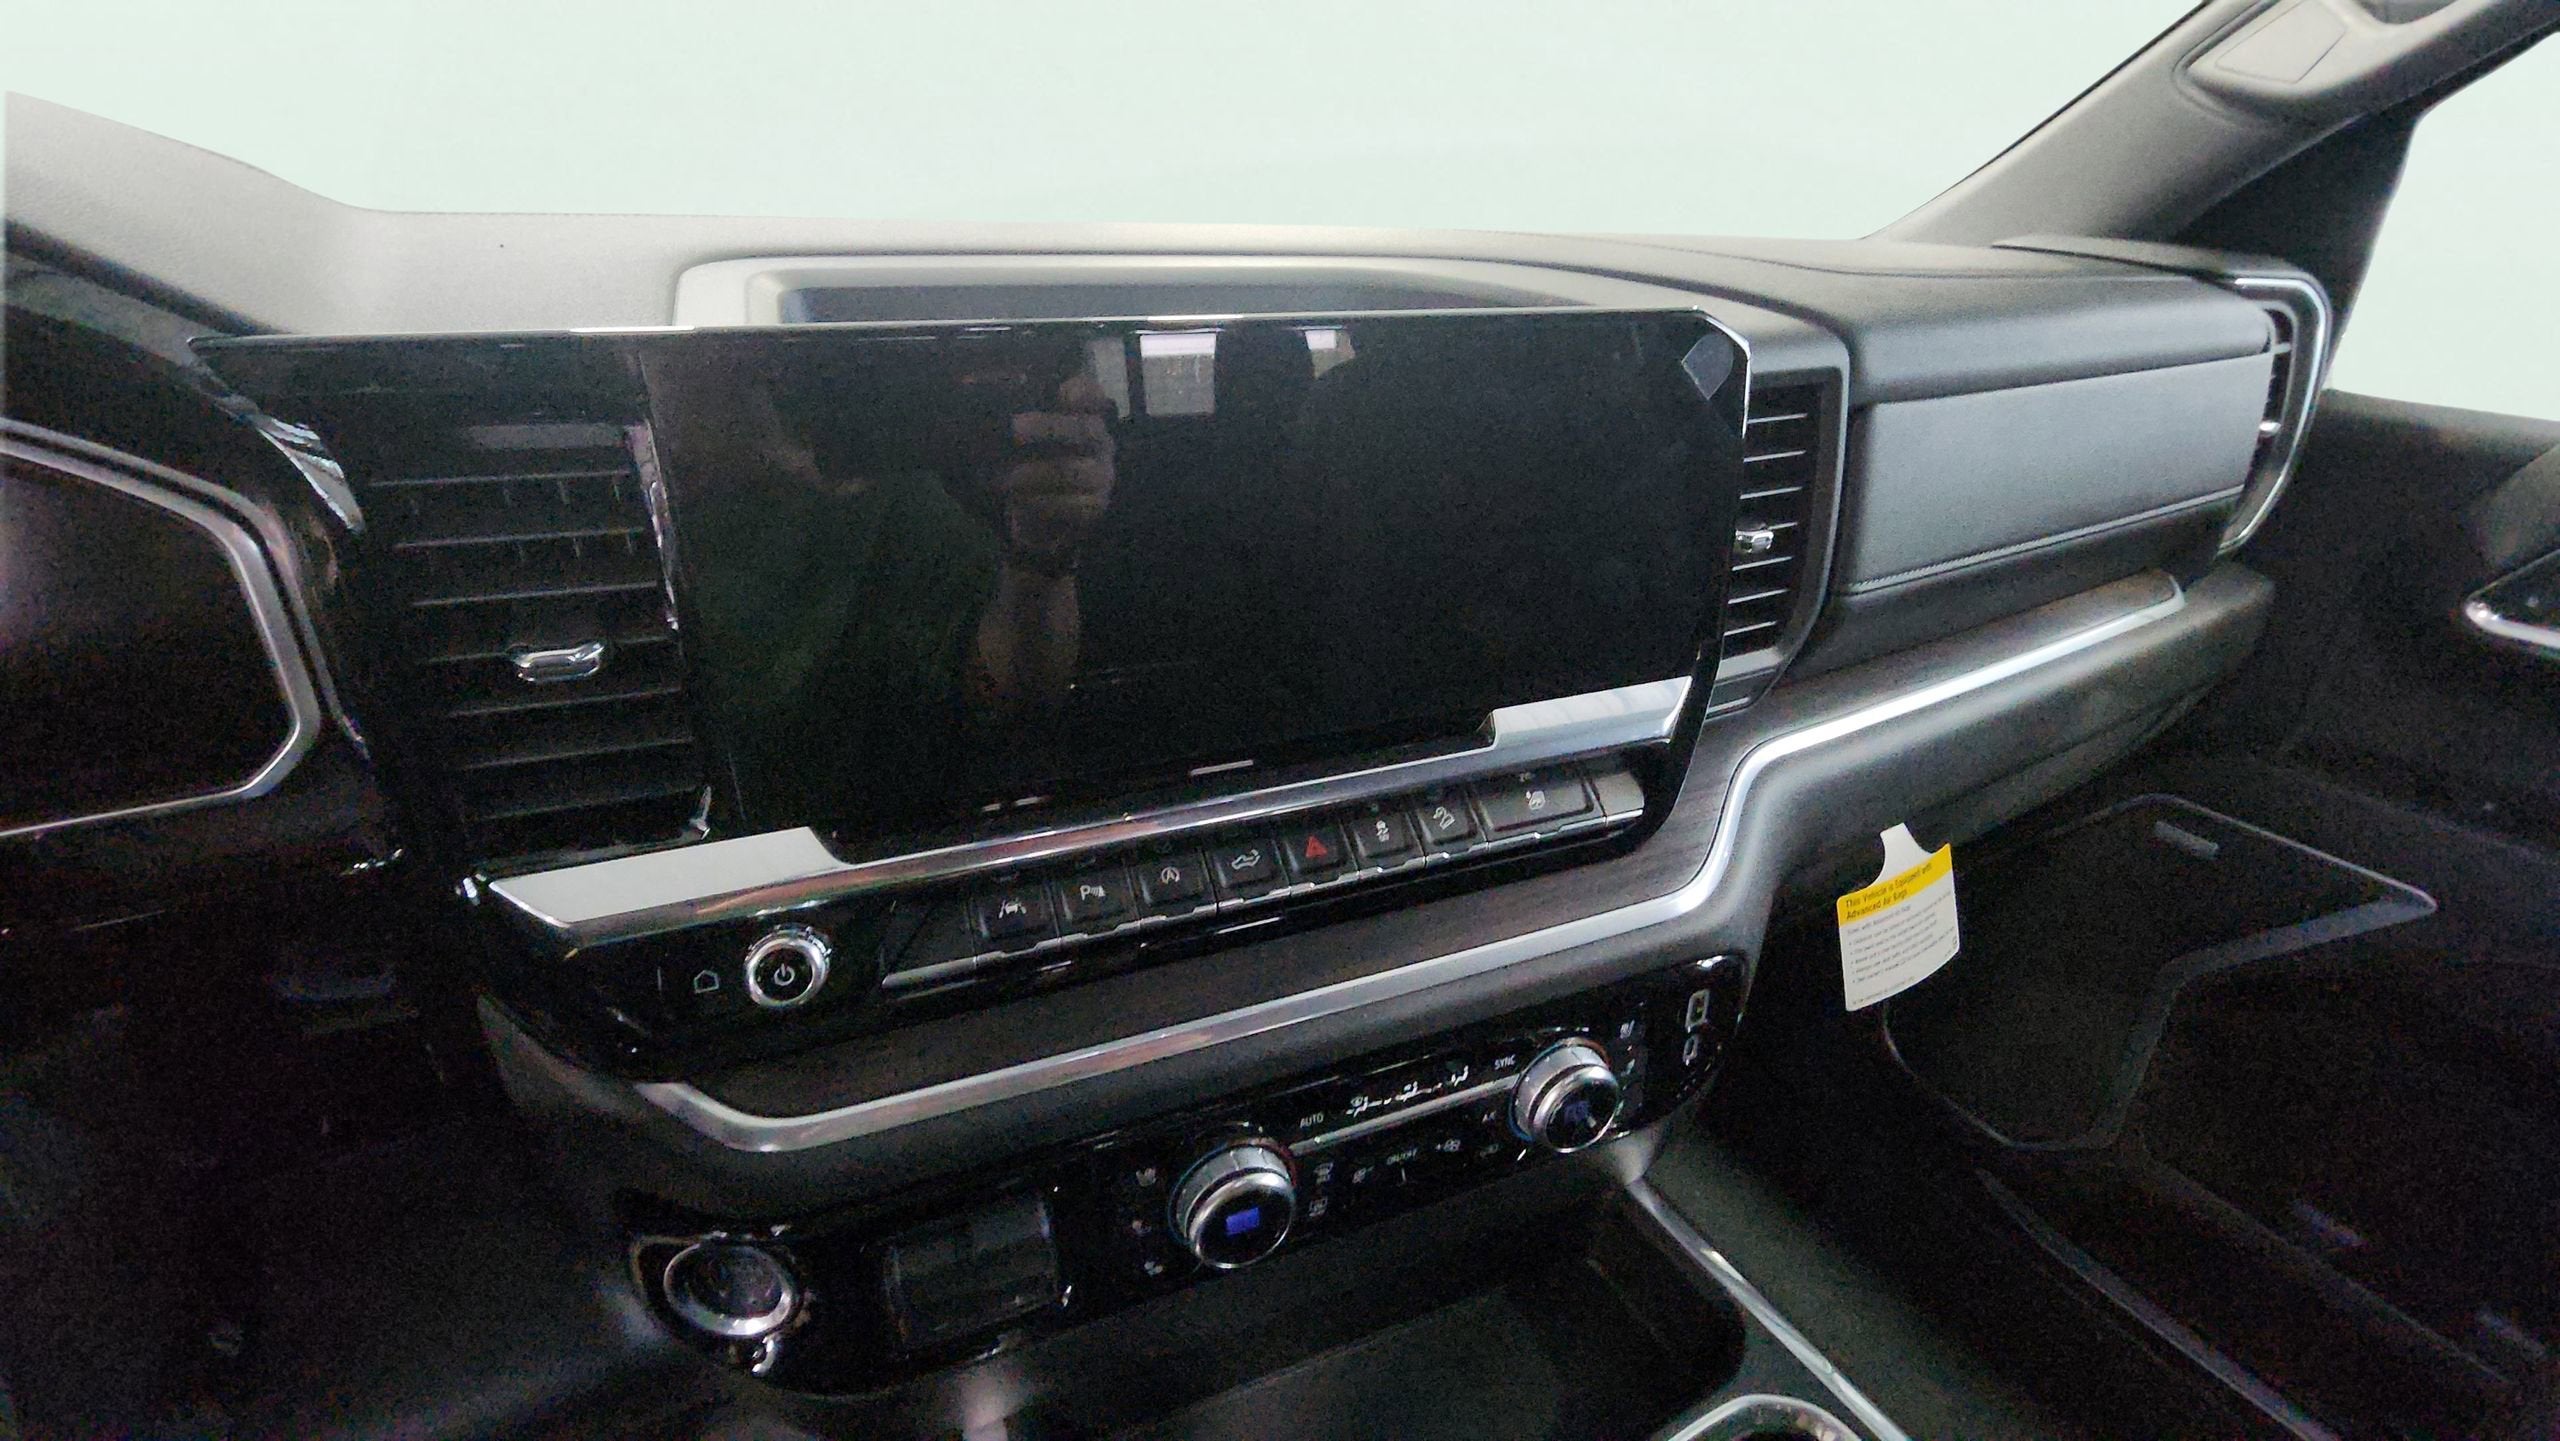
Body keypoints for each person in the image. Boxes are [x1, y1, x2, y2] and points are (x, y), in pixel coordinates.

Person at [642, 340, 1116, 831]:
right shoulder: (632, 514)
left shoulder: (892, 510)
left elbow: (1011, 693)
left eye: (750, 360)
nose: (736, 367)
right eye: (680, 356)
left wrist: (1043, 548)